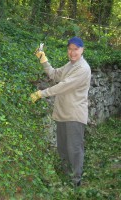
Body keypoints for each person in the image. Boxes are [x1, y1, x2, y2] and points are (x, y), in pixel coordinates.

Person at [30, 37, 91, 186]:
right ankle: (66, 176)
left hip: (74, 115)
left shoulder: (83, 68)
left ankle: (75, 181)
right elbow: (54, 74)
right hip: (63, 113)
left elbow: (63, 86)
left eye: (76, 49)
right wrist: (43, 59)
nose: (72, 52)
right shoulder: (70, 65)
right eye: (70, 49)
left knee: (74, 149)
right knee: (63, 148)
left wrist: (41, 93)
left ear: (82, 50)